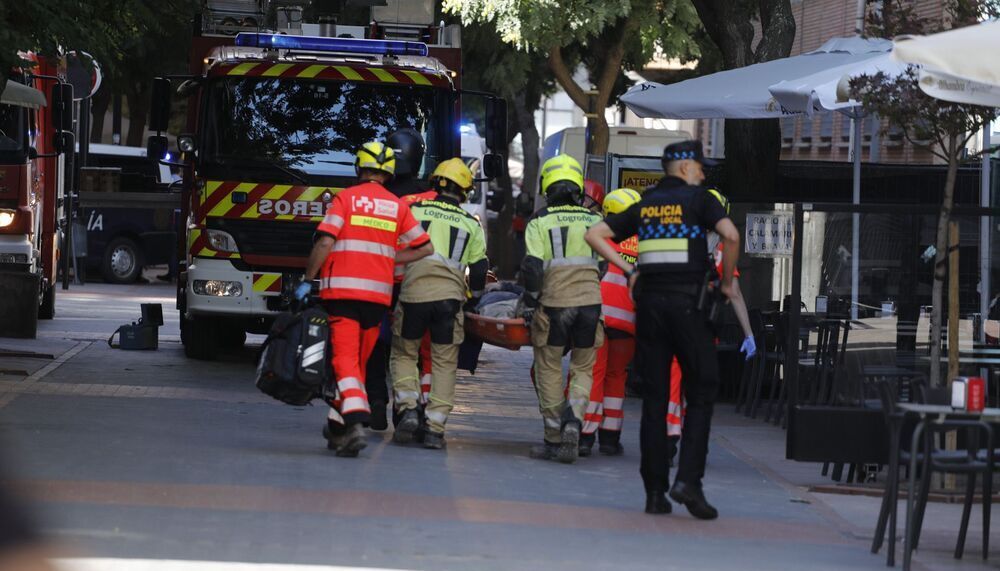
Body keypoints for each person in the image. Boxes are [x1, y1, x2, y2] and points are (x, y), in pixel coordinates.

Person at [585, 140, 745, 518]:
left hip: (650, 309)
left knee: (655, 400)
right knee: (702, 391)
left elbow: (595, 235)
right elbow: (732, 236)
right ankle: (689, 481)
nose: (703, 174)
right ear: (686, 167)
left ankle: (654, 493)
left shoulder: (647, 203)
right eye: (701, 167)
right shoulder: (700, 199)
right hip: (689, 307)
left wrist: (629, 270)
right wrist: (724, 283)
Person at [298, 141, 433, 458]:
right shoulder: (397, 206)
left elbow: (325, 241)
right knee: (356, 364)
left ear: (359, 168)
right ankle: (337, 426)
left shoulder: (346, 198)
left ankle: (356, 420)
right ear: (388, 173)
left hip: (343, 295)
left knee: (343, 361)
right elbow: (426, 248)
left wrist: (307, 280)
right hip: (378, 300)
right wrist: (390, 259)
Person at [390, 158, 488, 449]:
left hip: (413, 295)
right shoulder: (471, 223)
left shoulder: (412, 209)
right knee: (445, 363)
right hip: (449, 301)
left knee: (404, 354)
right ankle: (434, 429)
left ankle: (408, 408)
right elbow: (480, 270)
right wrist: (473, 303)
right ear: (465, 192)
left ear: (436, 183)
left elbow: (393, 245)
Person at [519, 154, 604, 464]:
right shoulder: (596, 220)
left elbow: (532, 267)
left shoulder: (539, 221)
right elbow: (604, 264)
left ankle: (554, 440)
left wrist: (530, 302)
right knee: (583, 368)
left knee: (550, 367)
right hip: (590, 306)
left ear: (548, 186)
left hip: (554, 306)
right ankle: (574, 420)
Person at [580, 188, 641, 457]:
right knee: (617, 376)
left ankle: (584, 436)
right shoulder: (642, 243)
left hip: (598, 319)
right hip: (628, 325)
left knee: (593, 374)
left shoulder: (597, 239)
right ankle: (610, 438)